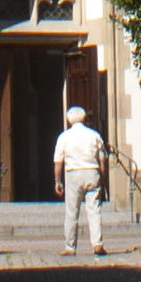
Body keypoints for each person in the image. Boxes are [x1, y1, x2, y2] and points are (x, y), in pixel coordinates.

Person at [53, 101, 108, 256]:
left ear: (68, 120)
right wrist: (102, 180)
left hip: (73, 173)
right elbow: (102, 160)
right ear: (85, 119)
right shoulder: (94, 135)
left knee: (72, 212)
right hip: (92, 171)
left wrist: (57, 181)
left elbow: (58, 162)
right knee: (94, 210)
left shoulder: (64, 137)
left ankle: (70, 246)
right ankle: (97, 244)